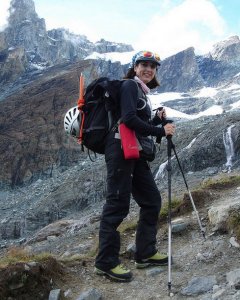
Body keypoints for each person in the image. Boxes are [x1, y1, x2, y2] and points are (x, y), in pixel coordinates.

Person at [94, 51, 176, 282]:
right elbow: (129, 120)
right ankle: (105, 263)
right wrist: (161, 130)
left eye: (153, 66)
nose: (149, 69)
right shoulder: (130, 86)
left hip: (134, 151)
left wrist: (155, 121)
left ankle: (145, 253)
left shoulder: (140, 91)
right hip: (120, 149)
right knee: (117, 204)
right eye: (144, 65)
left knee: (151, 200)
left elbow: (135, 122)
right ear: (135, 67)